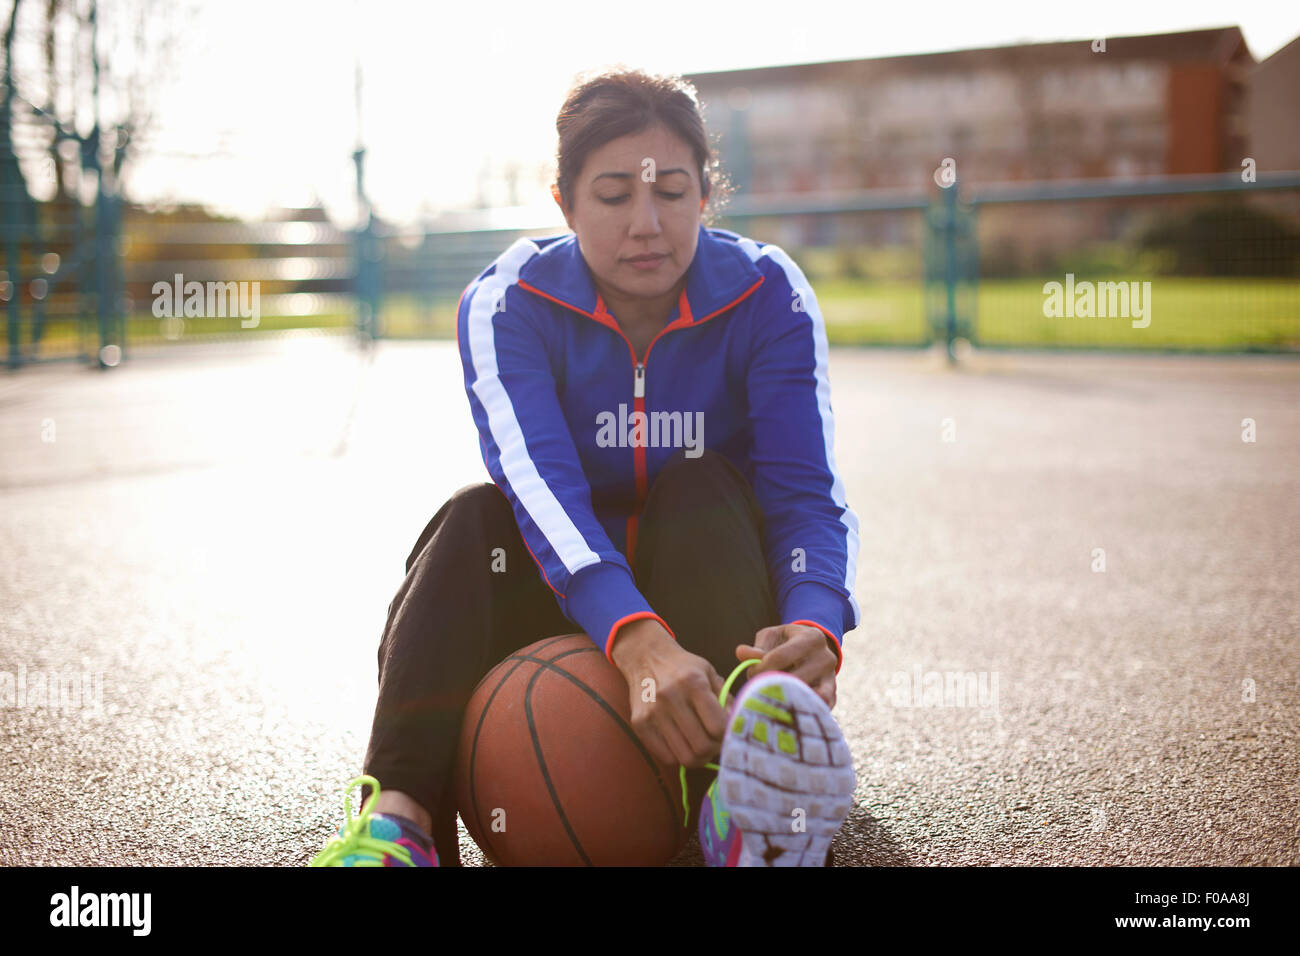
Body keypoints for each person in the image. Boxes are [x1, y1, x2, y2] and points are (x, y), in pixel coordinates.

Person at [310, 68, 859, 868]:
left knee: (704, 484)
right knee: (474, 520)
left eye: (672, 192)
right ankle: (401, 821)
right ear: (564, 204)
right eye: (613, 196)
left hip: (711, 602)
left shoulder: (768, 293)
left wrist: (814, 623)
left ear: (706, 196)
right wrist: (636, 642)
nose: (647, 224)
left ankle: (745, 804)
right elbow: (540, 490)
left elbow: (804, 493)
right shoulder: (509, 303)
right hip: (560, 596)